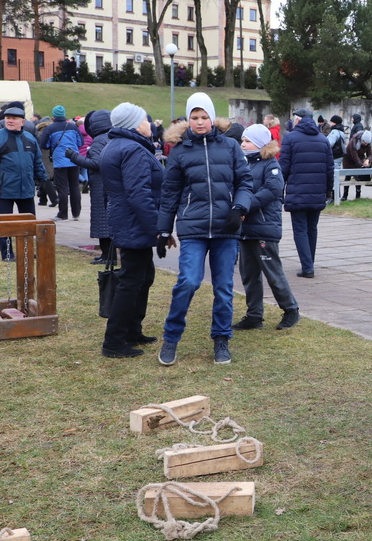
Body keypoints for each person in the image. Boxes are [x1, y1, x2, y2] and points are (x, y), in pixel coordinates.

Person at [157, 93, 253, 366]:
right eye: (194, 117)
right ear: (188, 120)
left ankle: (221, 339)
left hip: (226, 228)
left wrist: (239, 208)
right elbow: (170, 193)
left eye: (204, 117)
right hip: (193, 228)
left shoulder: (231, 147)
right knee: (188, 281)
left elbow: (245, 182)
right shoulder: (179, 152)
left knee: (223, 288)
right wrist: (163, 231)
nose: (199, 122)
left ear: (212, 118)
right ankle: (171, 338)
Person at [98, 103, 163, 359]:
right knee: (131, 281)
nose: (149, 123)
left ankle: (132, 331)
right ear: (135, 124)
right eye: (145, 119)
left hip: (127, 220)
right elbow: (139, 194)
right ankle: (114, 341)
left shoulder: (117, 145)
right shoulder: (132, 149)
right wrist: (157, 228)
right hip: (135, 222)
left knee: (143, 276)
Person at [234, 124, 301, 330]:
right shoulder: (244, 163)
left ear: (260, 143)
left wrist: (244, 206)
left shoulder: (270, 165)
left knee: (273, 273)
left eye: (247, 141)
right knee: (249, 274)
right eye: (242, 140)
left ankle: (291, 309)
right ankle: (254, 315)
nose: (243, 144)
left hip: (264, 228)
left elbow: (272, 190)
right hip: (246, 229)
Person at [0, 102, 46, 261]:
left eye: (14, 118)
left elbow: (37, 160)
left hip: (26, 188)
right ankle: (7, 254)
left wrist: (42, 178)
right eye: (8, 118)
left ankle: (27, 251)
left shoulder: (30, 139)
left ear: (22, 121)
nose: (10, 121)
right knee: (4, 224)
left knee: (28, 223)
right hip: (4, 188)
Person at [279, 107, 333, 279]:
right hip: (317, 192)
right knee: (312, 228)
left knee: (300, 230)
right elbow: (329, 169)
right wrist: (328, 191)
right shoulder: (323, 139)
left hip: (297, 192)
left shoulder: (290, 139)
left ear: (298, 120)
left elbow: (283, 167)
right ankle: (309, 262)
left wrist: (279, 190)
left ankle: (307, 266)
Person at [65, 110, 115, 264]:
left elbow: (96, 163)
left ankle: (108, 257)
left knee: (102, 223)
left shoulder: (99, 140)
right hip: (108, 184)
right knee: (106, 222)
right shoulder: (111, 137)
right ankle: (106, 255)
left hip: (100, 186)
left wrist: (74, 156)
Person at [40, 105, 83, 220]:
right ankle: (76, 213)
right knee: (74, 187)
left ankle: (63, 214)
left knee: (62, 188)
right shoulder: (73, 126)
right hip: (74, 160)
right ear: (64, 114)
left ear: (53, 116)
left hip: (60, 161)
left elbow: (44, 145)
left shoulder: (50, 128)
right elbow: (80, 142)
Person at [341, 130, 372, 201]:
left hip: (360, 158)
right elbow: (354, 156)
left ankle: (358, 195)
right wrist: (361, 165)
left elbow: (370, 154)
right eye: (364, 142)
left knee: (358, 177)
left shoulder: (368, 143)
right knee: (348, 177)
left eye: (367, 143)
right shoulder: (354, 142)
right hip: (348, 160)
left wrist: (367, 160)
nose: (366, 144)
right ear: (362, 140)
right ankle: (345, 195)